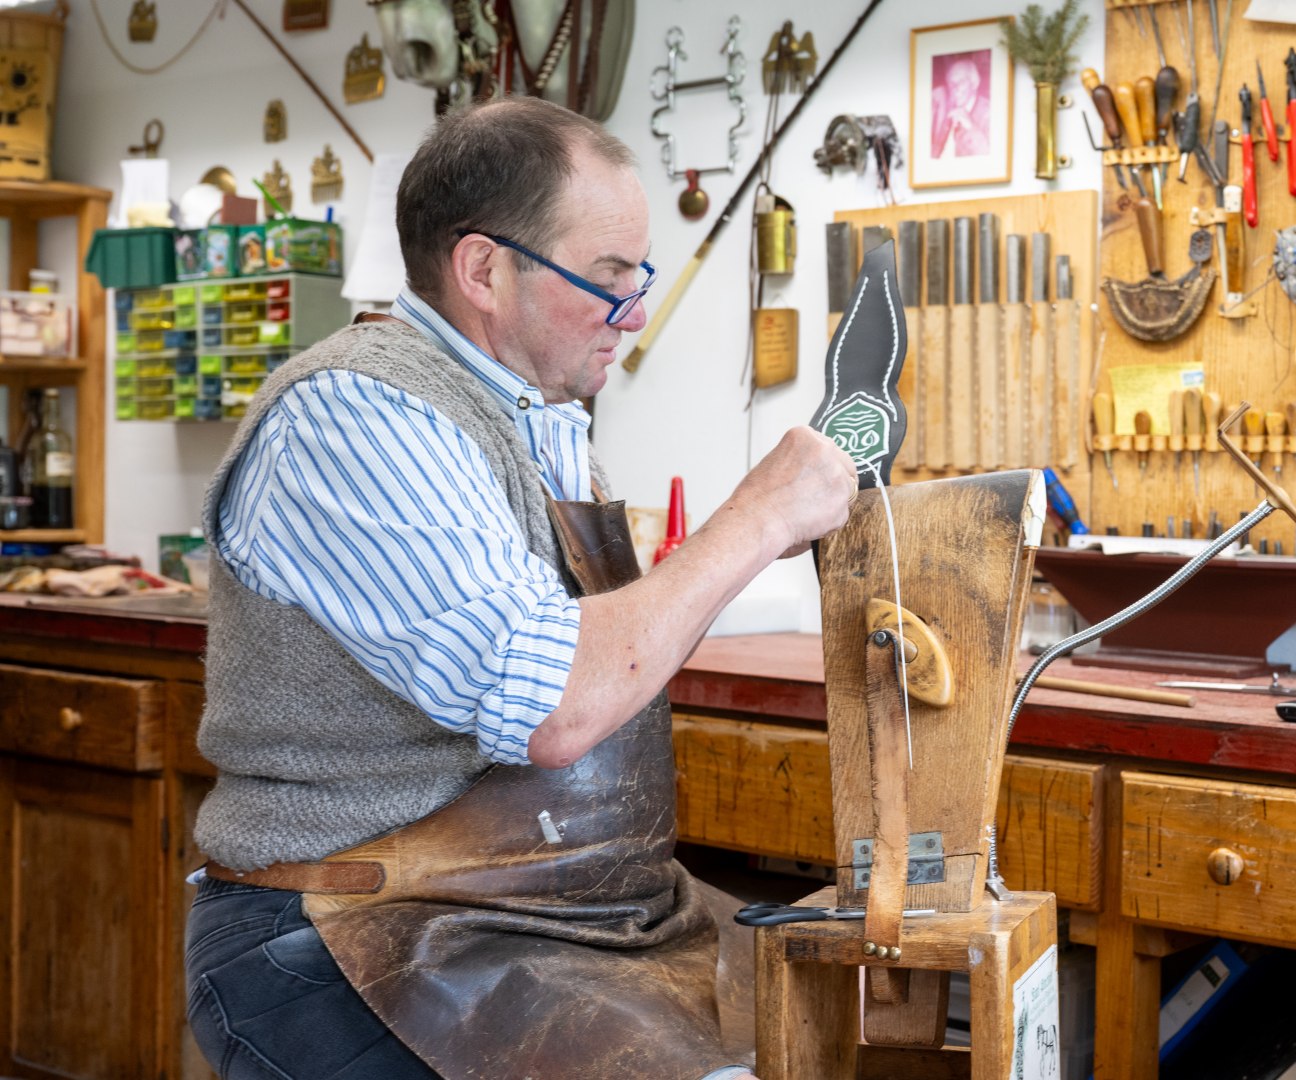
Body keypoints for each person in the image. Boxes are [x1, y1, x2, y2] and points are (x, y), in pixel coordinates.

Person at [183, 96, 854, 1080]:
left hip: (551, 920)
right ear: (484, 269)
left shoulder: (538, 417)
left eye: (640, 276)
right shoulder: (355, 416)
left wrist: (763, 541)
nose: (634, 310)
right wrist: (752, 521)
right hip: (349, 934)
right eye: (608, 278)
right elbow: (553, 705)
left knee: (818, 1016)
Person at [931, 53, 992, 158]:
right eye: (951, 83)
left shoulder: (989, 111)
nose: (955, 88)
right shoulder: (944, 109)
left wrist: (971, 126)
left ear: (974, 83)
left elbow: (991, 156)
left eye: (961, 81)